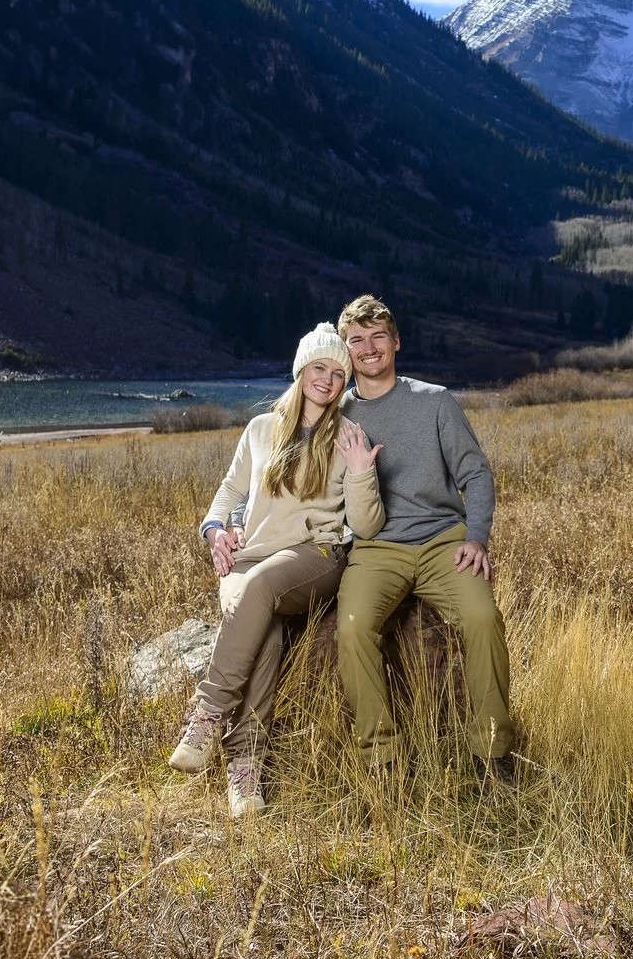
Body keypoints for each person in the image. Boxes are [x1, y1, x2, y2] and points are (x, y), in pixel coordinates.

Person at [168, 323, 383, 816]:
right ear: (300, 369)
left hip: (317, 556)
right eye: (319, 368)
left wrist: (361, 470)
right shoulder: (260, 429)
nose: (327, 381)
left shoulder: (348, 436)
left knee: (260, 590)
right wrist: (216, 531)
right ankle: (243, 770)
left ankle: (206, 715)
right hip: (252, 559)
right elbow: (227, 494)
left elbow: (367, 525)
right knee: (262, 628)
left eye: (337, 373)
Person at [332, 294, 519, 779]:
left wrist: (476, 538)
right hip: (375, 549)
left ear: (396, 341)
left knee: (481, 618)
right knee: (351, 629)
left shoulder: (435, 401)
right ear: (345, 351)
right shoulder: (338, 414)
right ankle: (383, 759)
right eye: (357, 341)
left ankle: (492, 754)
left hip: (443, 540)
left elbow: (475, 474)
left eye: (378, 337)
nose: (369, 348)